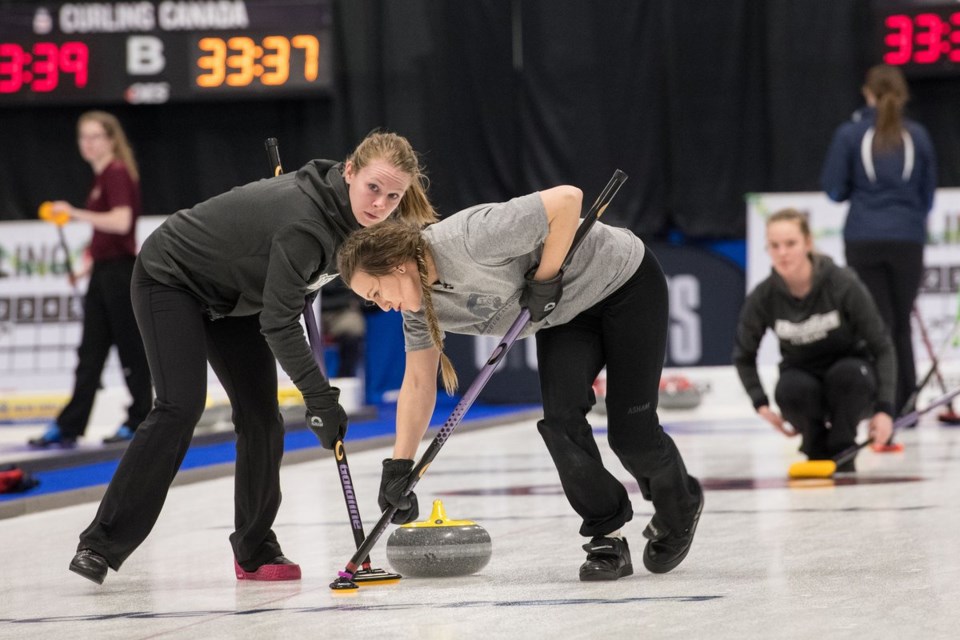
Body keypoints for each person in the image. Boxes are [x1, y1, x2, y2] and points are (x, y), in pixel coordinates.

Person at [68, 131, 438, 586]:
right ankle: (100, 543)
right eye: (373, 188)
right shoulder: (306, 224)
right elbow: (280, 323)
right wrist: (320, 398)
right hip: (172, 276)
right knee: (180, 405)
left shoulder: (352, 222)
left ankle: (255, 549)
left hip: (236, 299)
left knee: (262, 416)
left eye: (392, 196)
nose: (380, 203)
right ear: (348, 172)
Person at [337, 187, 704, 582]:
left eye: (375, 294)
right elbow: (418, 383)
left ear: (396, 265)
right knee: (561, 421)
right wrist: (400, 466)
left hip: (623, 282)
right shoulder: (419, 309)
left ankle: (679, 501)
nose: (382, 306)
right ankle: (606, 535)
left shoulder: (469, 239)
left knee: (632, 434)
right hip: (565, 314)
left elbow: (567, 199)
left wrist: (546, 277)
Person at [733, 208, 896, 470]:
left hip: (850, 372)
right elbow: (743, 355)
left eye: (790, 244)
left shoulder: (842, 283)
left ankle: (843, 446)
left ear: (808, 243)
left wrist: (885, 409)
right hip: (801, 376)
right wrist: (760, 403)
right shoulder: (763, 297)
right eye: (774, 246)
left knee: (849, 375)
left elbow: (882, 346)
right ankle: (816, 448)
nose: (782, 252)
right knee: (791, 388)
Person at [821, 64, 937, 429]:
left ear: (867, 94)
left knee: (875, 324)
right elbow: (927, 194)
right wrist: (903, 215)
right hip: (907, 238)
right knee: (899, 323)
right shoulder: (917, 135)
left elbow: (834, 189)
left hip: (864, 238)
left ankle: (880, 405)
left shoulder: (850, 134)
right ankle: (906, 405)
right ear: (902, 95)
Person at [29, 111, 153, 447]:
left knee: (130, 349)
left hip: (119, 273)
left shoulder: (115, 172)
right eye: (83, 136)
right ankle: (70, 424)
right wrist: (86, 266)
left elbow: (122, 223)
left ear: (111, 139)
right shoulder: (101, 177)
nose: (88, 143)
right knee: (90, 352)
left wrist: (74, 213)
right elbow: (106, 232)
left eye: (95, 136)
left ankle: (141, 416)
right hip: (104, 271)